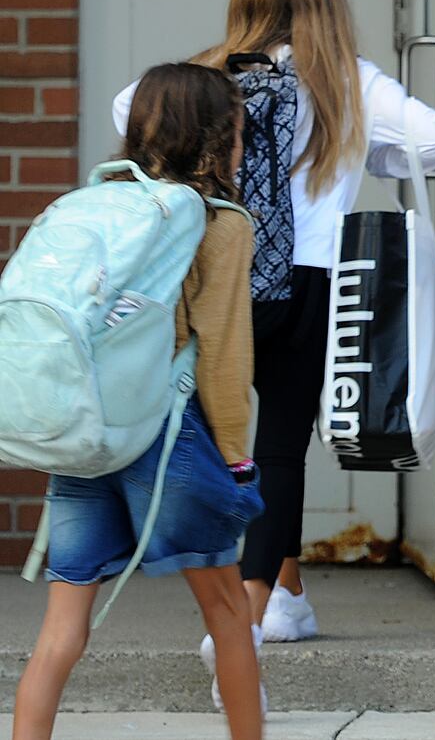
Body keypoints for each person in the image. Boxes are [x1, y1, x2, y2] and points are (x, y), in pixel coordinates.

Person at [113, 0, 435, 648]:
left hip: (218, 276)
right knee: (278, 451)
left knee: (222, 443)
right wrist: (369, 146)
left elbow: (128, 109)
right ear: (326, 1)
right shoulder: (348, 82)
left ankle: (284, 596)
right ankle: (249, 609)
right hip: (310, 284)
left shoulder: (210, 74)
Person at [15, 64, 265, 739]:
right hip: (168, 431)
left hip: (91, 426)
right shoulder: (219, 222)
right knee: (228, 612)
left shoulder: (95, 201)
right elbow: (222, 356)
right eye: (238, 133)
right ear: (217, 139)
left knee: (63, 627)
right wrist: (237, 456)